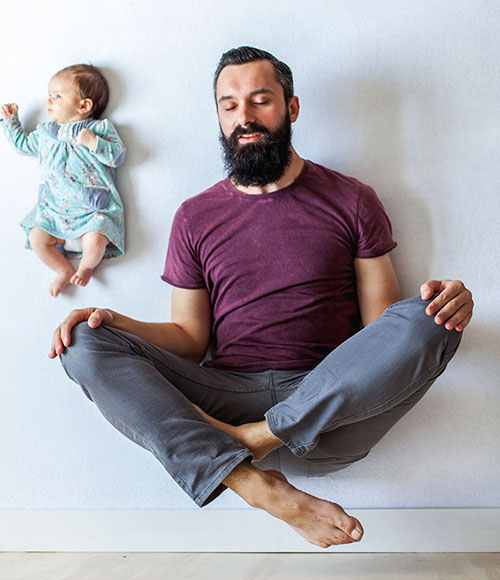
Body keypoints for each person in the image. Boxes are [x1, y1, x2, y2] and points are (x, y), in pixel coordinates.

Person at [50, 47, 473, 548]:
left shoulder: (352, 199)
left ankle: (259, 438)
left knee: (431, 316)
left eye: (260, 100)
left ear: (291, 107)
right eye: (229, 105)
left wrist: (442, 307)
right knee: (82, 341)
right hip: (225, 402)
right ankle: (256, 485)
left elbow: (382, 330)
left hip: (329, 407)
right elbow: (189, 339)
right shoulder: (195, 216)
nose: (244, 117)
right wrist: (115, 322)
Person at [1, 64, 125, 297]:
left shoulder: (98, 129)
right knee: (36, 236)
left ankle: (86, 267)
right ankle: (63, 270)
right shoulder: (45, 133)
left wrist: (94, 143)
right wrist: (11, 122)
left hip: (90, 212)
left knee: (96, 239)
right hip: (55, 212)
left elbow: (117, 156)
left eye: (57, 96)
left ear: (84, 106)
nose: (49, 101)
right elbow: (23, 145)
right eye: (49, 95)